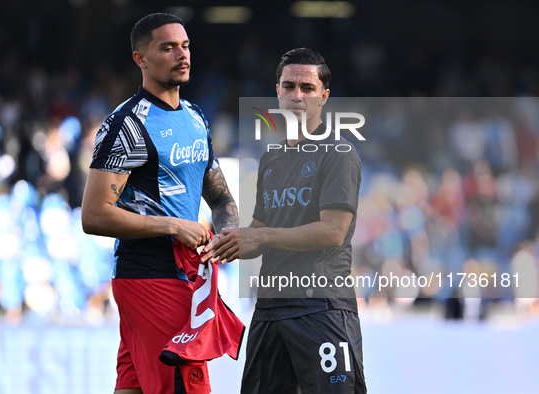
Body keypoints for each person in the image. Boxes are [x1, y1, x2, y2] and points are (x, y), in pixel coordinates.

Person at [81, 13, 238, 394]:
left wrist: (229, 231)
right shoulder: (128, 124)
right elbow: (94, 214)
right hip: (150, 275)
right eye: (167, 48)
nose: (181, 55)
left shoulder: (197, 118)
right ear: (141, 59)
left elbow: (218, 195)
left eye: (184, 46)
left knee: (133, 387)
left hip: (182, 275)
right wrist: (173, 225)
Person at [213, 48, 367, 393]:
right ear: (277, 92)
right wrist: (226, 240)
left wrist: (261, 237)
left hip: (321, 307)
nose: (297, 95)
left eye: (307, 88)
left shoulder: (338, 153)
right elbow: (258, 231)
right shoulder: (271, 159)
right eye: (289, 86)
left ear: (324, 96)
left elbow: (333, 231)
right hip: (270, 308)